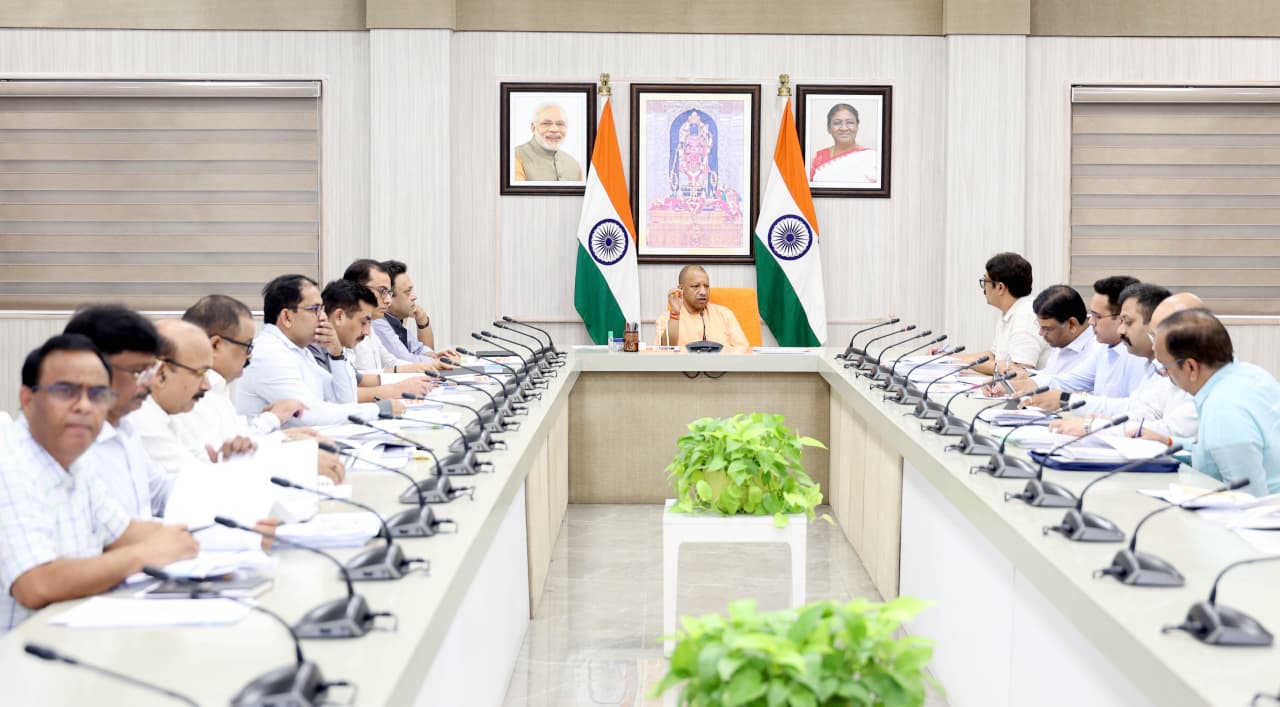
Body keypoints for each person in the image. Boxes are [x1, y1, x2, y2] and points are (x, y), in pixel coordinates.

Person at [0, 334, 199, 633]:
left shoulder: (76, 463)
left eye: (97, 394)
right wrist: (145, 555)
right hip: (20, 653)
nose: (84, 406)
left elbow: (127, 533)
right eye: (66, 391)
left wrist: (223, 534)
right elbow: (35, 584)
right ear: (27, 399)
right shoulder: (9, 465)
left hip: (73, 635)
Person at [175, 295, 346, 483]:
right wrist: (298, 460)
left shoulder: (218, 389)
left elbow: (237, 446)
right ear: (216, 345)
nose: (250, 355)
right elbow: (214, 469)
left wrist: (284, 436)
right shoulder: (193, 395)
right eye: (247, 346)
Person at [1143, 309, 1280, 496]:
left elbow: (1248, 500)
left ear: (1190, 367)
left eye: (1165, 366)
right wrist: (1168, 441)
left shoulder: (1223, 409)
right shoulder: (1252, 374)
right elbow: (1214, 447)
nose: (1164, 374)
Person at [235, 274, 397, 426]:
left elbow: (346, 401)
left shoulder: (300, 352)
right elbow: (307, 414)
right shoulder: (268, 353)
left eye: (322, 309)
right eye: (315, 309)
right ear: (287, 317)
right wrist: (377, 410)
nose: (324, 317)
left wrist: (337, 355)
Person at [1048, 286, 1198, 439]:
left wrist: (1092, 426)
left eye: (1128, 322)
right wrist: (1101, 423)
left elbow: (1171, 430)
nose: (1120, 330)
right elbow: (1147, 411)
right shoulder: (1159, 365)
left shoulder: (1191, 373)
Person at [65, 305, 172, 519]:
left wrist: (226, 470)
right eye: (138, 372)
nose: (149, 383)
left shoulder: (124, 426)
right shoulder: (72, 446)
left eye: (150, 370)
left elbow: (160, 492)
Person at [125, 320, 256, 473]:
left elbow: (197, 468)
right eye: (200, 373)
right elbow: (189, 480)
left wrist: (223, 461)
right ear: (161, 374)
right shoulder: (143, 420)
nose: (207, 386)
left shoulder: (169, 414)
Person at [1015, 276, 1149, 407]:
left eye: (1097, 316)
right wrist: (1024, 384)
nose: (1091, 322)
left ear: (1121, 318)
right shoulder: (1103, 348)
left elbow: (1135, 410)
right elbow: (1071, 381)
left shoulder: (1138, 355)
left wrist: (1065, 399)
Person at [954, 252, 1049, 375]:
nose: (983, 287)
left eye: (985, 281)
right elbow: (993, 356)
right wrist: (949, 358)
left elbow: (1018, 369)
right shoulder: (1011, 311)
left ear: (1000, 287)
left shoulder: (1026, 315)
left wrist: (966, 362)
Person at [374, 259, 457, 363]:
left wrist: (436, 356)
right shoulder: (378, 322)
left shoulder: (396, 321)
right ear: (388, 296)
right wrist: (438, 361)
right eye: (407, 292)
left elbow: (418, 349)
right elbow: (405, 360)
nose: (414, 297)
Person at [654, 265, 750, 353]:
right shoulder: (666, 318)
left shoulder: (724, 314)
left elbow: (744, 350)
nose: (703, 292)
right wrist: (675, 313)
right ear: (681, 289)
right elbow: (665, 351)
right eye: (696, 286)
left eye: (706, 286)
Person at [808, 103, 880, 186]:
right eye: (837, 123)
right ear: (829, 128)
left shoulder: (872, 158)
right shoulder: (818, 158)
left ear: (857, 126)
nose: (844, 128)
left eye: (850, 122)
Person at [513, 103, 583, 182]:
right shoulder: (514, 157)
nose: (554, 129)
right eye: (546, 123)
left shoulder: (574, 165)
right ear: (533, 128)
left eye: (560, 124)